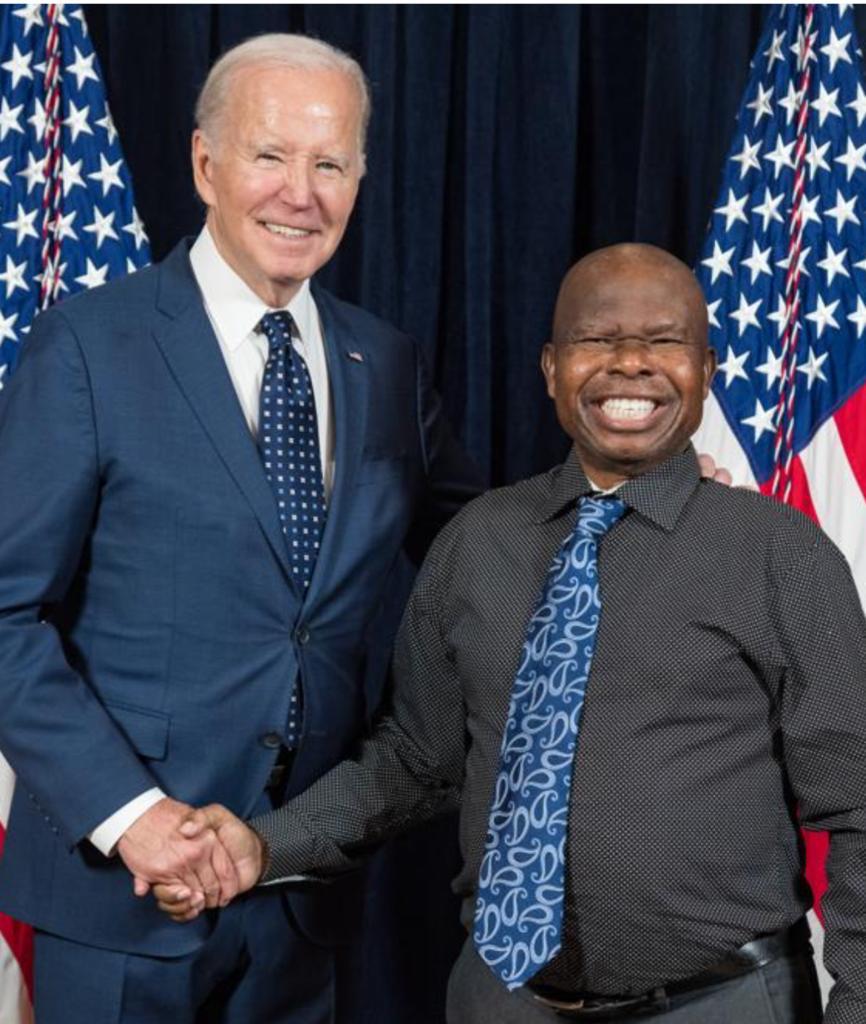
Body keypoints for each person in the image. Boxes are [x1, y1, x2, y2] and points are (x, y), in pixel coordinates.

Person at [158, 244, 866, 1024]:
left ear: (706, 369)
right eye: (597, 339)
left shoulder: (780, 555)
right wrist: (266, 846)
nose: (631, 363)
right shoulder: (478, 542)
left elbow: (858, 801)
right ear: (552, 368)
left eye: (664, 341)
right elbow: (413, 762)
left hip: (721, 1002)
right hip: (502, 998)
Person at [0, 33, 481, 1024]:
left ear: (359, 179)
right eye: (270, 155)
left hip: (301, 894)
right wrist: (131, 817)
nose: (300, 194)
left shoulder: (385, 363)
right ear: (204, 164)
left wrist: (626, 488)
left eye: (330, 164)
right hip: (122, 894)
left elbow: (482, 542)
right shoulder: (88, 346)